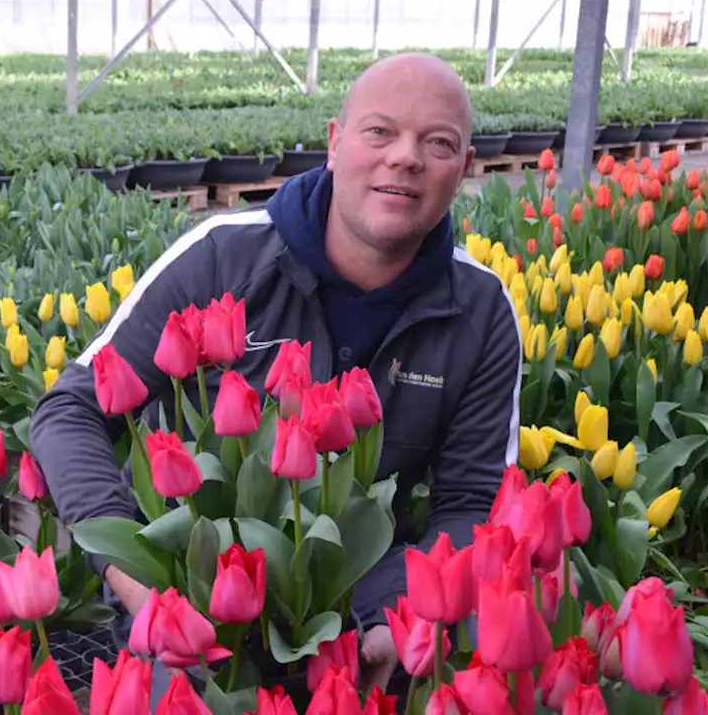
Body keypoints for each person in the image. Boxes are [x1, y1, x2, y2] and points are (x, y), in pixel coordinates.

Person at [29, 52, 522, 705]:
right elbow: (69, 411)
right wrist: (138, 584)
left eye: (438, 143)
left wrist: (387, 621)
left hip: (360, 628)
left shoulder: (481, 310)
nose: (406, 157)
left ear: (463, 169)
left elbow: (472, 502)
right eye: (380, 131)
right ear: (335, 142)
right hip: (188, 622)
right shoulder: (222, 257)